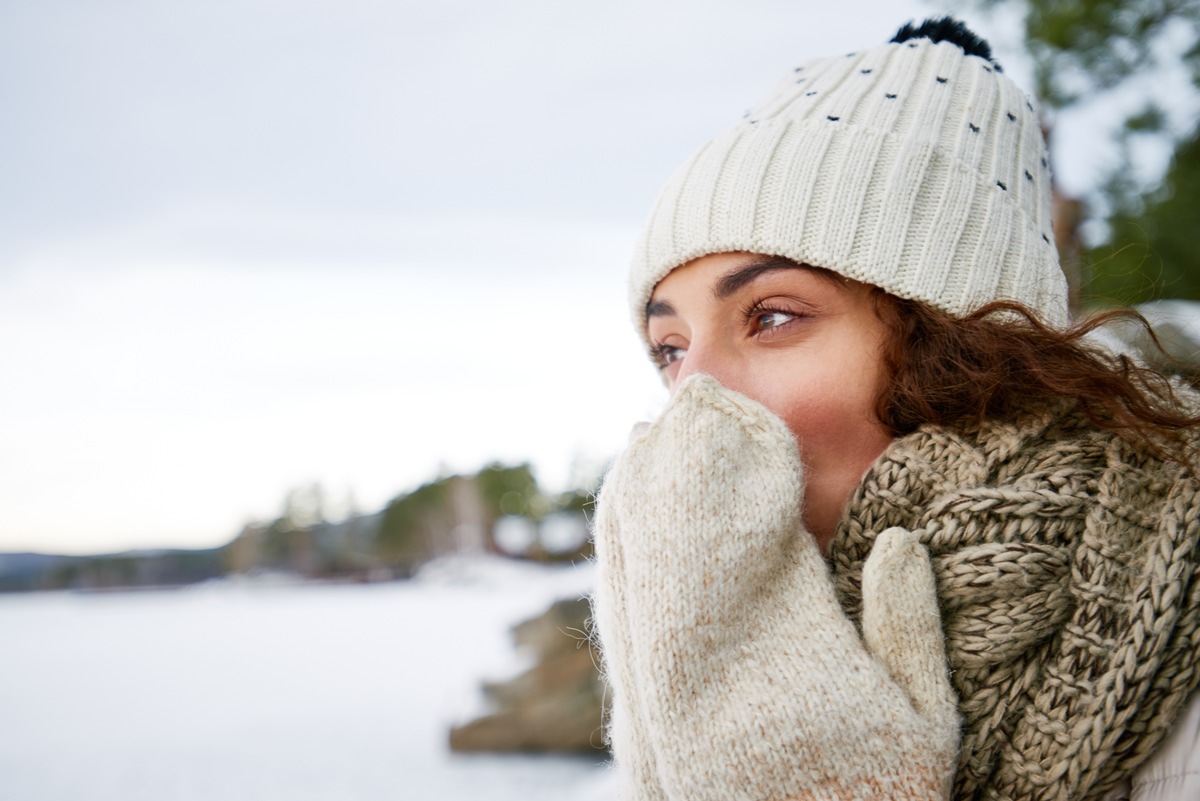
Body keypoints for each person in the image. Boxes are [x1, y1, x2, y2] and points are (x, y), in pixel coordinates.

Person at [590, 17, 1200, 801]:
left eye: (772, 317)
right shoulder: (693, 707)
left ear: (952, 341)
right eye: (670, 350)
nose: (693, 403)